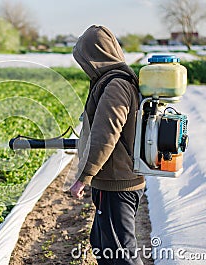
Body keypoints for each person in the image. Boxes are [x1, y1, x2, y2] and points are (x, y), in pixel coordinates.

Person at [70, 25, 145, 265]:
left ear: (95, 56)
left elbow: (107, 133)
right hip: (116, 181)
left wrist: (85, 176)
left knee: (120, 253)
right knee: (102, 245)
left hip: (117, 184)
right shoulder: (119, 80)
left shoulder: (115, 85)